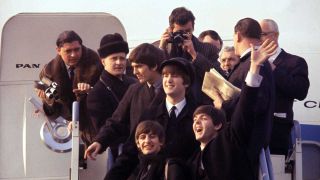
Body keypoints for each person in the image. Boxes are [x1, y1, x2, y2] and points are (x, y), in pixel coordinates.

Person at [189, 40, 277, 180]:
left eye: (204, 118)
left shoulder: (230, 141)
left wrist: (254, 67)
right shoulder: (193, 159)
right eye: (195, 119)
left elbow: (245, 108)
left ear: (218, 124)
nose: (197, 122)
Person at [105, 57, 199, 180]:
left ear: (186, 82)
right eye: (165, 75)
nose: (168, 80)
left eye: (174, 76)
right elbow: (130, 153)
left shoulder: (197, 115)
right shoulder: (150, 114)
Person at [84, 43, 165, 161]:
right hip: (138, 158)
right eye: (133, 67)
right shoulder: (134, 89)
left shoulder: (173, 89)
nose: (135, 71)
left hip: (167, 158)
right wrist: (100, 141)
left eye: (139, 66)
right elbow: (116, 121)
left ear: (154, 66)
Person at [218, 18, 275, 179]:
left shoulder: (255, 65)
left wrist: (223, 105)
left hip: (245, 147)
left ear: (237, 36)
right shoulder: (246, 65)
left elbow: (257, 103)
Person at [35, 30, 103, 144]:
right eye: (68, 51)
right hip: (67, 131)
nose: (73, 55)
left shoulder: (96, 64)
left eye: (77, 49)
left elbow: (106, 96)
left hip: (96, 126)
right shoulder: (48, 73)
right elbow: (53, 112)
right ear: (58, 51)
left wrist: (90, 91)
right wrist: (49, 101)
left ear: (81, 47)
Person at [260, 19, 310, 155]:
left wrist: (273, 69)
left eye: (262, 34)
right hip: (252, 128)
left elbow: (301, 91)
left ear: (275, 35)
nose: (258, 38)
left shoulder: (295, 62)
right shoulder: (251, 62)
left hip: (277, 130)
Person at [86, 33, 136, 158]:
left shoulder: (134, 83)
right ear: (103, 62)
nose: (119, 62)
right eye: (114, 58)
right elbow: (104, 128)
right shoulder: (96, 93)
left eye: (122, 58)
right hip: (119, 152)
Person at [158, 7, 220, 104]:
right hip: (169, 105)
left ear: (193, 28)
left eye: (188, 31)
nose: (184, 35)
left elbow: (216, 79)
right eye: (179, 32)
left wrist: (194, 54)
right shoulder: (162, 48)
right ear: (170, 29)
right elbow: (155, 75)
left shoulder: (208, 49)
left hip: (198, 106)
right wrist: (161, 48)